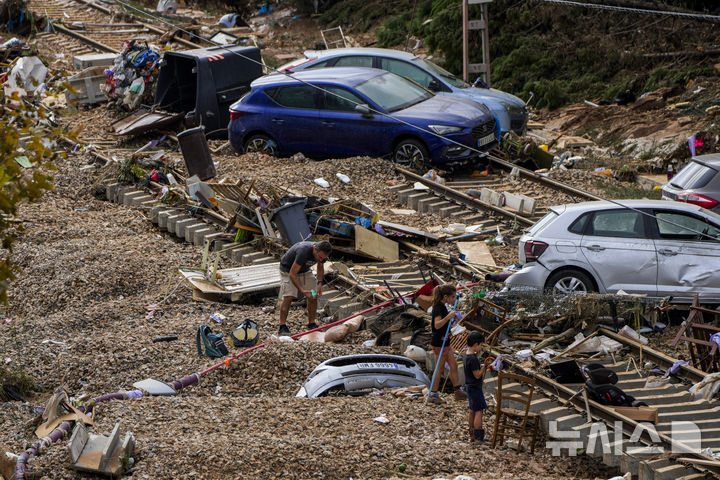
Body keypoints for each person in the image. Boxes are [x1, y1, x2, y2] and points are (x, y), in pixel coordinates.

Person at [277, 240, 332, 335]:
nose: (320, 259)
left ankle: (311, 323)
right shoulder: (303, 251)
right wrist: (302, 290)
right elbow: (292, 274)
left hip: (305, 270)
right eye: (319, 257)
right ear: (315, 249)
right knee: (289, 296)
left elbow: (320, 267)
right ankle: (282, 326)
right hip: (287, 270)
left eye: (323, 258)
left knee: (313, 295)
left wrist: (319, 284)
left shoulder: (322, 255)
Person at [427, 284, 466, 405]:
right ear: (446, 297)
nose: (454, 299)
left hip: (445, 341)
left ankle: (458, 390)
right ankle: (433, 393)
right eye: (453, 297)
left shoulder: (443, 306)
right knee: (439, 368)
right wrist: (448, 317)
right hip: (440, 342)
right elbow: (437, 325)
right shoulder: (438, 308)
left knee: (453, 365)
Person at [464, 331, 492, 442]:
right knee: (479, 411)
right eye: (480, 345)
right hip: (475, 388)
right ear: (476, 344)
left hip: (469, 386)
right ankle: (478, 435)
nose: (481, 347)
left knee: (472, 410)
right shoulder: (473, 359)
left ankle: (471, 433)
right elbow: (477, 375)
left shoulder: (466, 354)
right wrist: (485, 366)